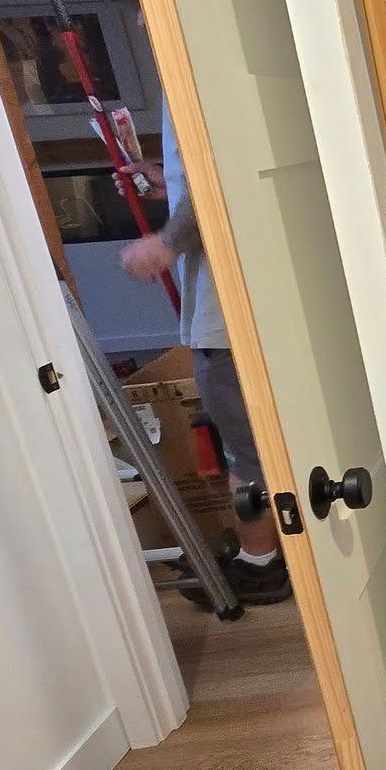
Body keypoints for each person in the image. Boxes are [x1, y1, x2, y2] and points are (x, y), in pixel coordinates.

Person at [120, 107, 291, 606]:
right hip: (234, 302)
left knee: (243, 446)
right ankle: (268, 553)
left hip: (226, 309)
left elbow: (217, 185)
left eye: (141, 18)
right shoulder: (189, 78)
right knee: (247, 440)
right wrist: (165, 181)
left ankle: (262, 563)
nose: (139, 22)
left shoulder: (188, 61)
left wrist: (166, 242)